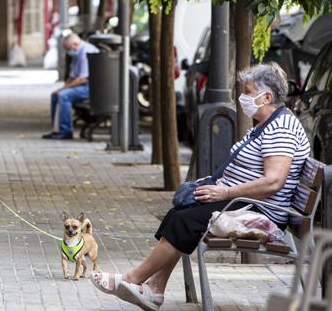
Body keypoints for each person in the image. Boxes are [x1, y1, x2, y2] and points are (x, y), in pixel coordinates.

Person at [91, 62, 310, 310]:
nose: (242, 97)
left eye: (248, 92)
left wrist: (225, 191)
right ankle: (155, 288)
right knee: (181, 213)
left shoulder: (281, 129)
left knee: (186, 220)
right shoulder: (266, 123)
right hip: (243, 202)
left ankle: (134, 279)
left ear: (267, 96)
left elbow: (273, 182)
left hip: (261, 211)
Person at [42, 33, 99, 140]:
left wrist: (64, 89)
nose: (69, 52)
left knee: (64, 96)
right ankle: (56, 129)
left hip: (91, 87)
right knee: (55, 95)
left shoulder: (85, 52)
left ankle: (65, 131)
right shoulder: (78, 54)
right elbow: (72, 77)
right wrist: (61, 88)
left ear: (75, 45)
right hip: (82, 85)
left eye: (68, 49)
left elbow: (82, 78)